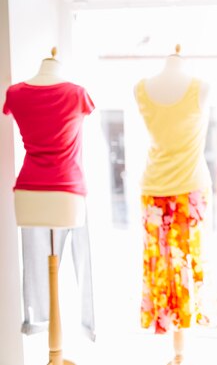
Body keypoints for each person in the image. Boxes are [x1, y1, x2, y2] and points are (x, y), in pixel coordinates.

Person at [2, 53, 96, 364]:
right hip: (66, 193)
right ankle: (52, 342)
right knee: (56, 265)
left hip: (31, 192)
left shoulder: (17, 94)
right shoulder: (74, 94)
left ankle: (55, 341)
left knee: (48, 264)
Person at [134, 50, 213, 365]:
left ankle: (179, 352)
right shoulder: (140, 88)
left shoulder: (200, 87)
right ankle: (177, 352)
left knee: (182, 268)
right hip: (166, 191)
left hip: (183, 191)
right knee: (164, 268)